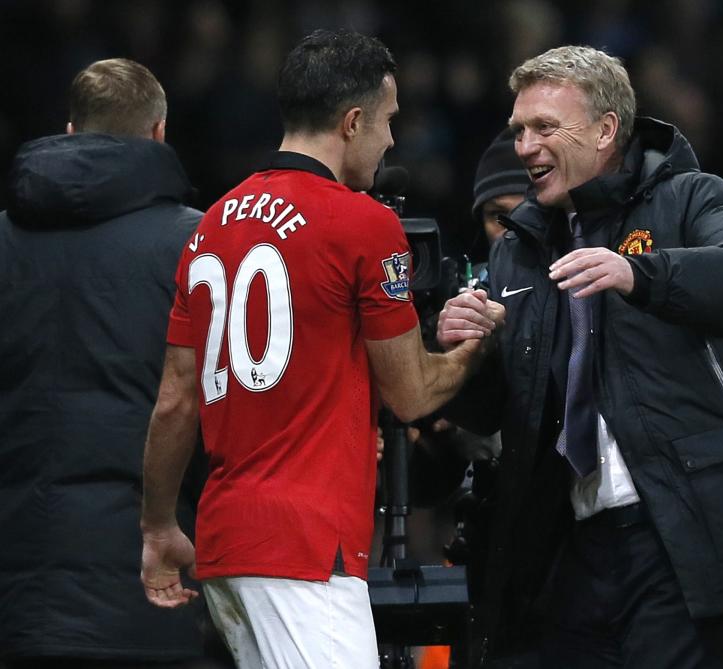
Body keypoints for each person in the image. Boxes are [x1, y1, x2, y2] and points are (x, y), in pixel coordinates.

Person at [438, 45, 723, 668]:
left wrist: (639, 274)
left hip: (688, 531)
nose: (525, 147)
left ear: (606, 129)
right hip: (577, 543)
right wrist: (466, 352)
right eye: (518, 131)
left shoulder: (687, 198)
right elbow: (501, 411)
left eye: (543, 128)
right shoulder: (521, 250)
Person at [138, 29, 494, 669]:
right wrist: (475, 348)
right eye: (387, 122)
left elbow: (174, 400)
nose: (390, 142)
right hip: (306, 552)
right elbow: (411, 392)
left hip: (227, 548)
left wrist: (159, 526)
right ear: (353, 122)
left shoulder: (210, 225)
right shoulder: (364, 223)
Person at [0, 59, 207, 666]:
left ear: (70, 132)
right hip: (153, 587)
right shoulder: (195, 245)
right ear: (159, 133)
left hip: (17, 599)